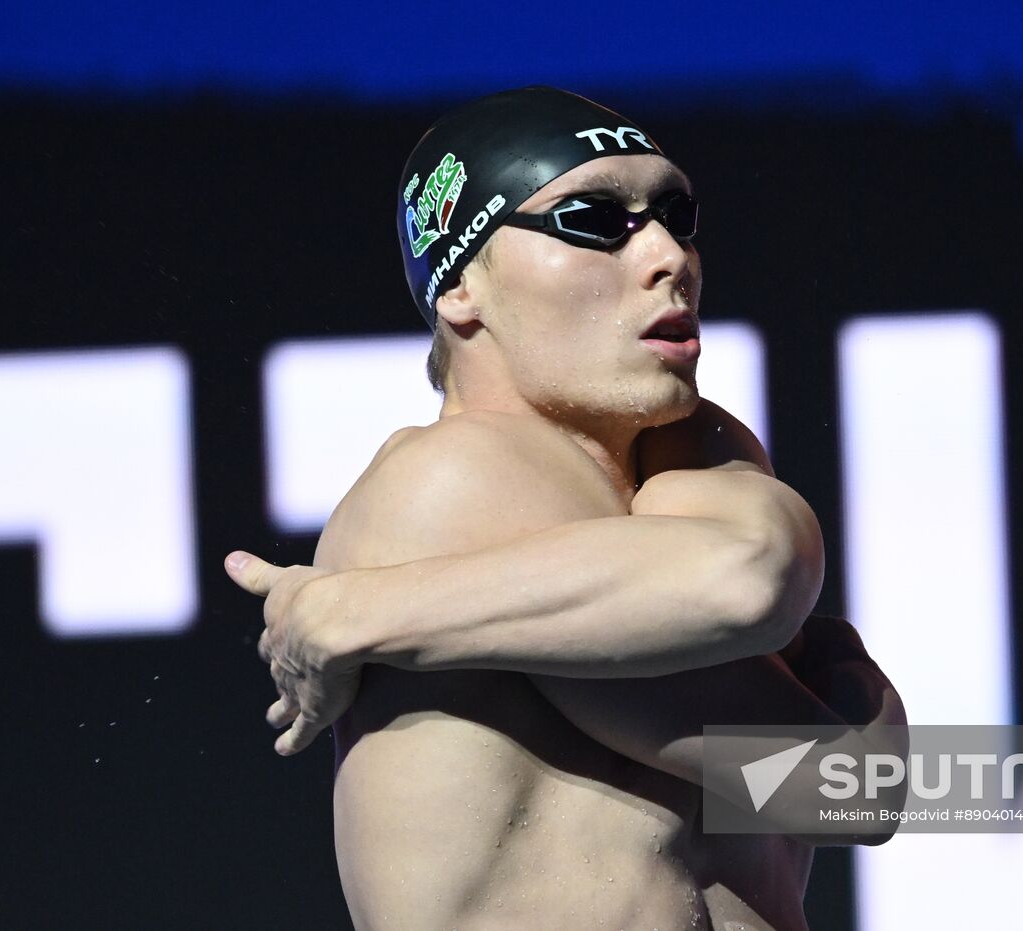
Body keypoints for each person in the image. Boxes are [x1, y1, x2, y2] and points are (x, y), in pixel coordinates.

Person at [224, 86, 904, 930]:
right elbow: (835, 763)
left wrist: (354, 613)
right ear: (462, 288)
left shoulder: (684, 478)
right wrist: (842, 668)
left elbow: (861, 789)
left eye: (677, 213)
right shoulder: (455, 476)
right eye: (592, 220)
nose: (667, 254)